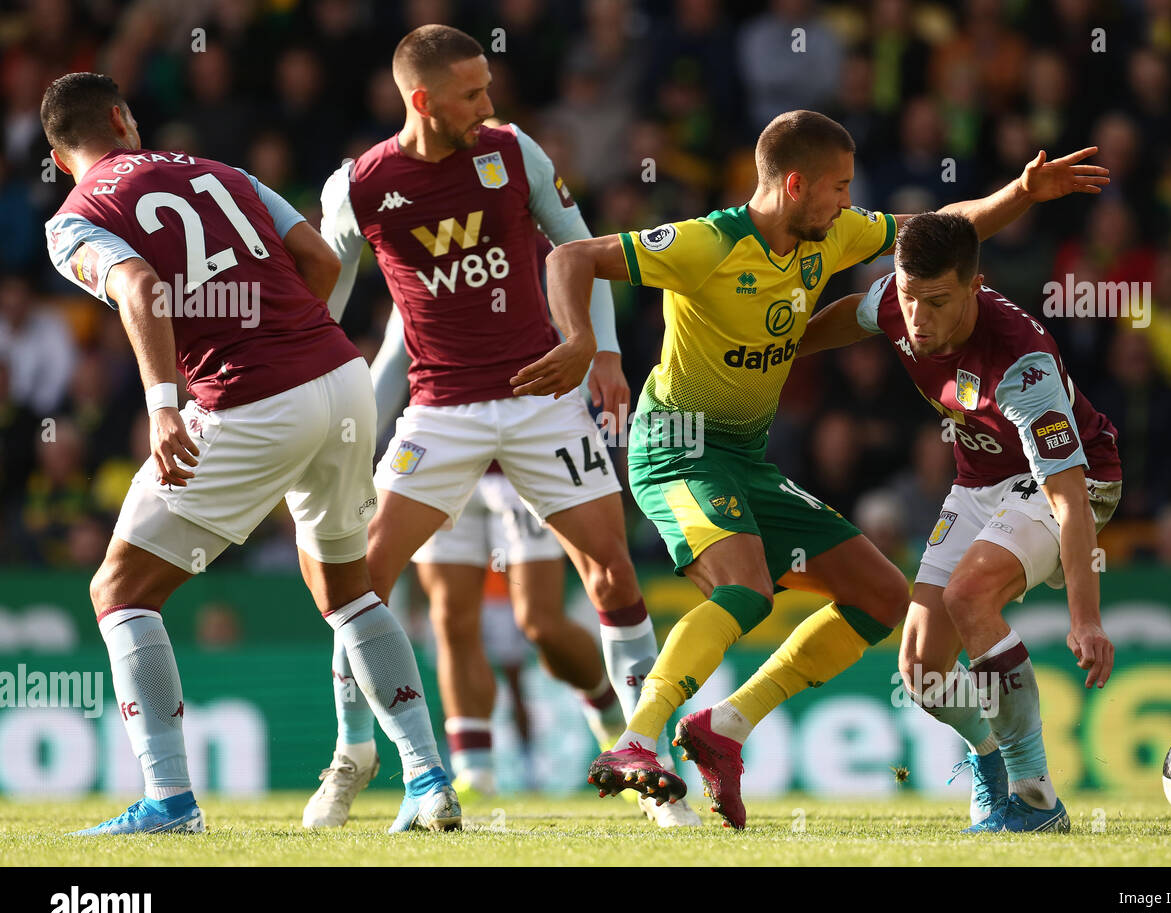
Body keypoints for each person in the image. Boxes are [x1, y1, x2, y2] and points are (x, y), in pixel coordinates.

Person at [542, 109, 1108, 828]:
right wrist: (590, 345)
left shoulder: (832, 232)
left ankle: (727, 725)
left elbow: (937, 228)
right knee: (746, 590)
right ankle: (635, 740)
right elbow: (571, 258)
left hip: (745, 458)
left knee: (879, 595)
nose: (850, 201)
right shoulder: (706, 243)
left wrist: (1021, 194)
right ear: (796, 184)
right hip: (677, 444)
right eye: (839, 187)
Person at [41, 72, 459, 835]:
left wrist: (163, 406)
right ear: (122, 120)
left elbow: (137, 285)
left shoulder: (75, 216)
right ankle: (429, 781)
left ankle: (169, 802)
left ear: (60, 153)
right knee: (348, 591)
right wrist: (296, 346)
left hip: (249, 397)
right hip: (341, 376)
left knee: (120, 591)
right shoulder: (218, 170)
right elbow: (323, 261)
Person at [316, 25, 692, 821]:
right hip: (439, 411)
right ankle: (352, 754)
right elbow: (325, 302)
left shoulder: (515, 152)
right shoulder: (358, 186)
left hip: (541, 402)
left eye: (489, 87)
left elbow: (583, 250)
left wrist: (606, 354)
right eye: (471, 93)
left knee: (612, 574)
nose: (489, 105)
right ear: (422, 101)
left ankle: (645, 764)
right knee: (360, 582)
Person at [802, 212, 1123, 832]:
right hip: (979, 480)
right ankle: (990, 761)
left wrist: (1086, 619)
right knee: (921, 670)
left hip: (1074, 481)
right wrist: (781, 351)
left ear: (975, 287)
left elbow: (1071, 499)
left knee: (969, 595)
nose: (918, 317)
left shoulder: (1022, 366)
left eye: (938, 301)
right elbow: (854, 313)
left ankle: (1036, 800)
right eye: (908, 295)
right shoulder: (899, 301)